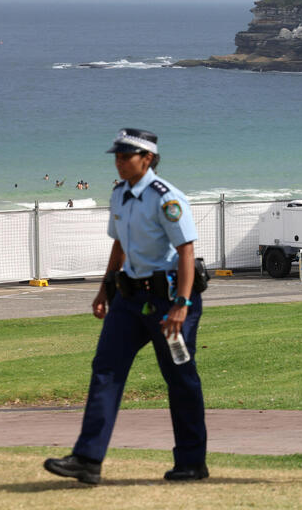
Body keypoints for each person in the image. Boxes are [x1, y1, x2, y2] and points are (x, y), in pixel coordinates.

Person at [44, 128, 208, 485]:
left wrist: (181, 303)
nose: (118, 162)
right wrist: (105, 288)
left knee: (180, 378)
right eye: (116, 156)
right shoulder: (119, 195)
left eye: (126, 156)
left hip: (168, 300)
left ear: (147, 159)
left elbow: (186, 252)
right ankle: (87, 460)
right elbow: (119, 245)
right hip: (129, 299)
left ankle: (192, 462)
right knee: (105, 369)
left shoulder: (167, 198)